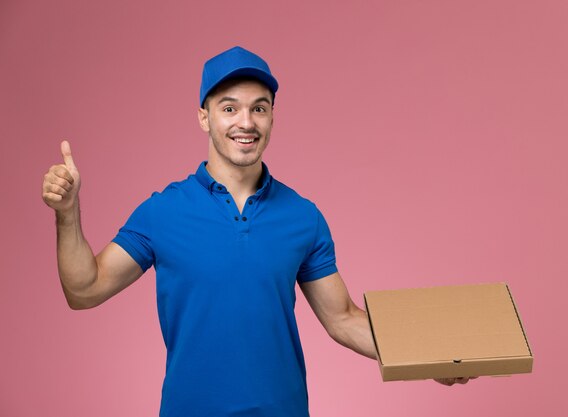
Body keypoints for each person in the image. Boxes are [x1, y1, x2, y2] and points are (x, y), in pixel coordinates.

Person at [42, 46, 472, 417]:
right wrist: (68, 213)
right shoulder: (162, 212)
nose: (245, 122)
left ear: (271, 117)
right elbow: (85, 290)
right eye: (229, 108)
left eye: (258, 108)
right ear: (204, 118)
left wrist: (427, 357)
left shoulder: (303, 216)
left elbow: (343, 319)